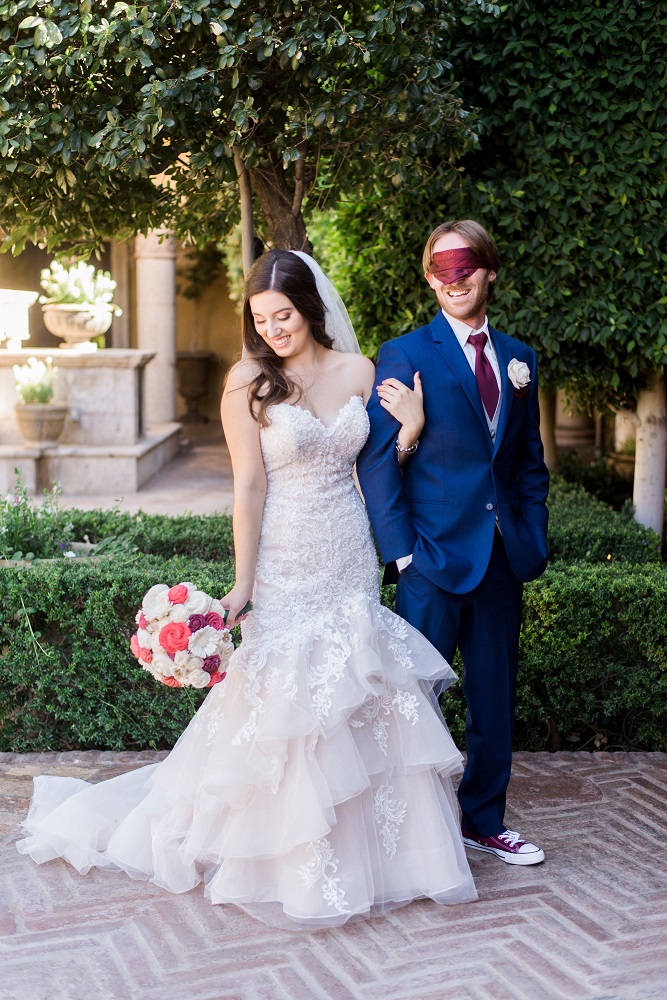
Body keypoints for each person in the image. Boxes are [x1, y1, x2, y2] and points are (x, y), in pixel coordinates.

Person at [16, 249, 477, 930]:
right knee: (284, 700)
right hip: (284, 558)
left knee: (353, 687)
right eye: (260, 320)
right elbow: (249, 487)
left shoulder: (358, 371)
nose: (272, 330)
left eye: (282, 315)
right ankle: (283, 855)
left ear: (309, 308)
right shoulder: (247, 382)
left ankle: (378, 853)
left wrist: (408, 432)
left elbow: (377, 473)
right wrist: (243, 583)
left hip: (348, 553)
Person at [356, 221, 550, 866]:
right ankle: (413, 832)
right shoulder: (405, 352)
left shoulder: (520, 358)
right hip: (431, 561)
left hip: (501, 559)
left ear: (489, 270)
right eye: (441, 269)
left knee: (494, 702)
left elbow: (528, 462)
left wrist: (531, 533)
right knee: (415, 702)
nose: (454, 279)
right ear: (428, 278)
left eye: (465, 267)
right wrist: (403, 554)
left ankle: (484, 822)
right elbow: (378, 461)